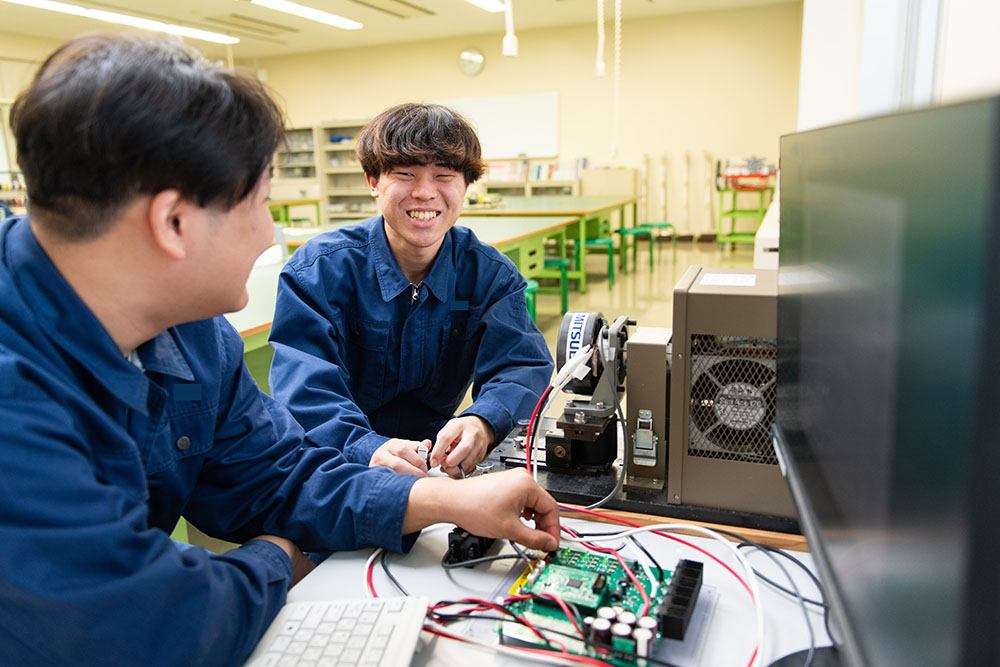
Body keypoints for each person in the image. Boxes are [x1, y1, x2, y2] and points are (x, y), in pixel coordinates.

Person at [0, 34, 560, 666]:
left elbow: (280, 477)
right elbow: (149, 624)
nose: (271, 232)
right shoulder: (14, 394)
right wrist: (279, 556)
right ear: (174, 222)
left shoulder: (192, 333)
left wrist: (441, 499)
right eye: (261, 202)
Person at [268, 103, 554, 479]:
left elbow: (521, 364)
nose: (424, 192)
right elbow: (305, 388)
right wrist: (365, 447)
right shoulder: (318, 273)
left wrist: (483, 421)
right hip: (335, 457)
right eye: (405, 174)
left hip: (435, 461)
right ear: (373, 182)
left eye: (444, 175)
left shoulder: (489, 277)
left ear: (466, 186)